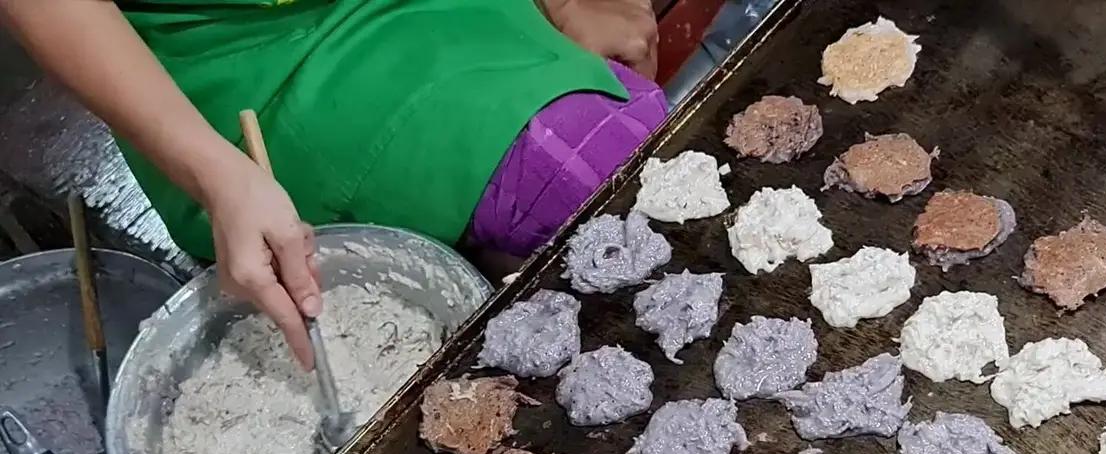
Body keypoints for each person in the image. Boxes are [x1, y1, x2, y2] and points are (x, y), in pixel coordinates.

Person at [0, 0, 667, 367]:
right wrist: (215, 173)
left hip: (441, 14)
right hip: (245, 49)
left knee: (632, 164)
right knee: (573, 177)